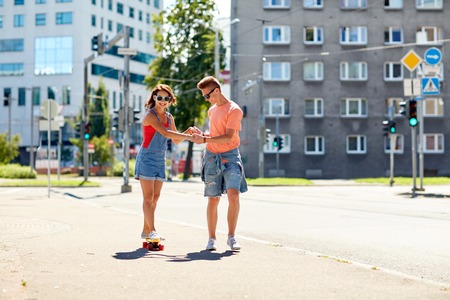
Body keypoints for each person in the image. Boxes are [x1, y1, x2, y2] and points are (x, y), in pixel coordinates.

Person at [192, 76, 248, 251]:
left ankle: (231, 237)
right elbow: (214, 133)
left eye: (206, 96)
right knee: (213, 198)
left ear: (216, 91)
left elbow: (228, 136)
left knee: (234, 194)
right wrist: (202, 135)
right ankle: (211, 238)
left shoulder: (234, 110)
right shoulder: (212, 110)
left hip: (230, 156)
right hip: (211, 156)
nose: (206, 99)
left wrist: (204, 139)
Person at [135, 84, 193, 242]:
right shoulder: (150, 116)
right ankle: (153, 230)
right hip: (147, 157)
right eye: (159, 97)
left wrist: (188, 132)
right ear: (154, 98)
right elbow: (166, 133)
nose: (162, 101)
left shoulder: (169, 117)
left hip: (160, 158)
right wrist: (187, 136)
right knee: (148, 197)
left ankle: (146, 231)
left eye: (166, 98)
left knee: (155, 197)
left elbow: (175, 139)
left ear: (170, 100)